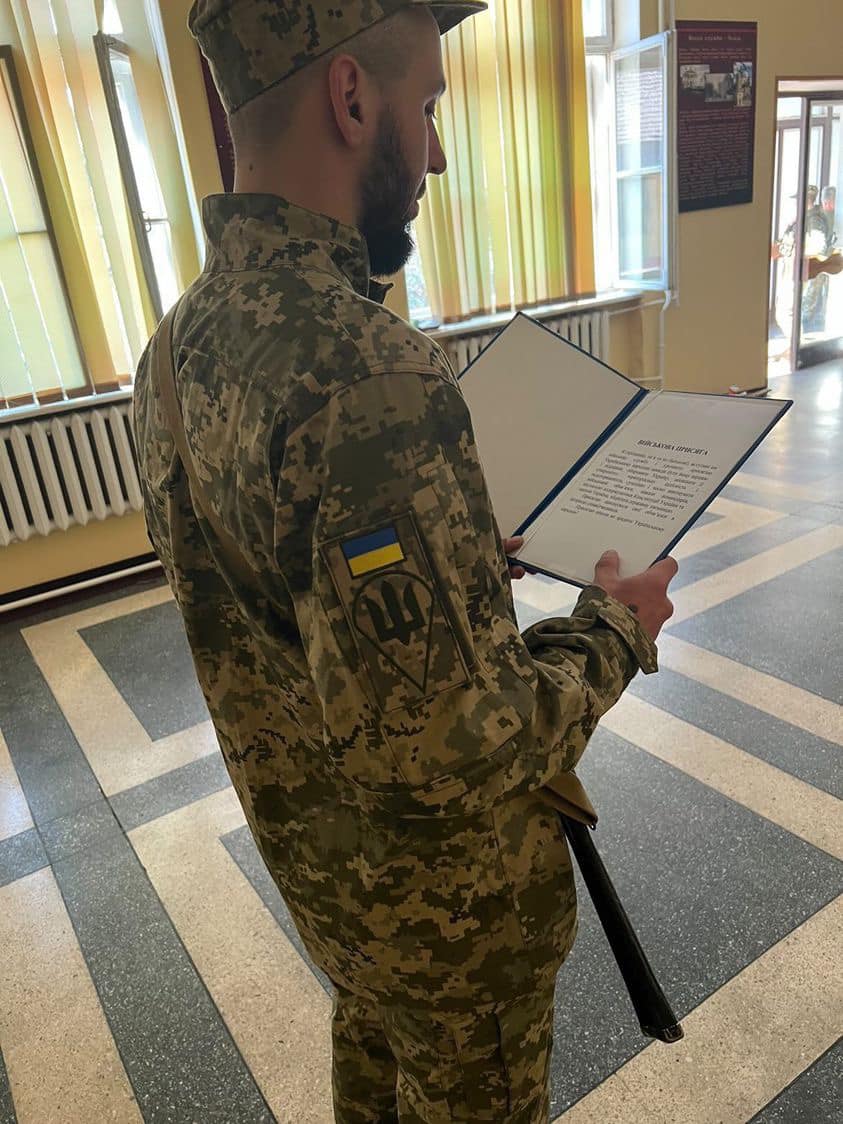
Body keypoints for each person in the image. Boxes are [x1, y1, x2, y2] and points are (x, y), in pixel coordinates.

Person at [132, 2, 678, 1119]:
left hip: (330, 886)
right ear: (349, 98)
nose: (434, 152)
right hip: (451, 926)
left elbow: (277, 601)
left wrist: (454, 563)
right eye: (426, 107)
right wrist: (615, 626)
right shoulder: (367, 370)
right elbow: (456, 747)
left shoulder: (176, 346)